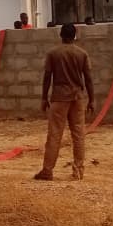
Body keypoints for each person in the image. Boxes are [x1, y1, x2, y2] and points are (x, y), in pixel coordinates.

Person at [34, 23, 95, 181]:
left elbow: (47, 77)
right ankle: (78, 170)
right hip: (77, 98)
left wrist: (44, 97)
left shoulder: (53, 53)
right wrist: (92, 100)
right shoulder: (82, 54)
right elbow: (88, 79)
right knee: (78, 134)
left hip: (59, 97)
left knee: (54, 134)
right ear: (75, 36)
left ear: (60, 35)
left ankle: (47, 170)